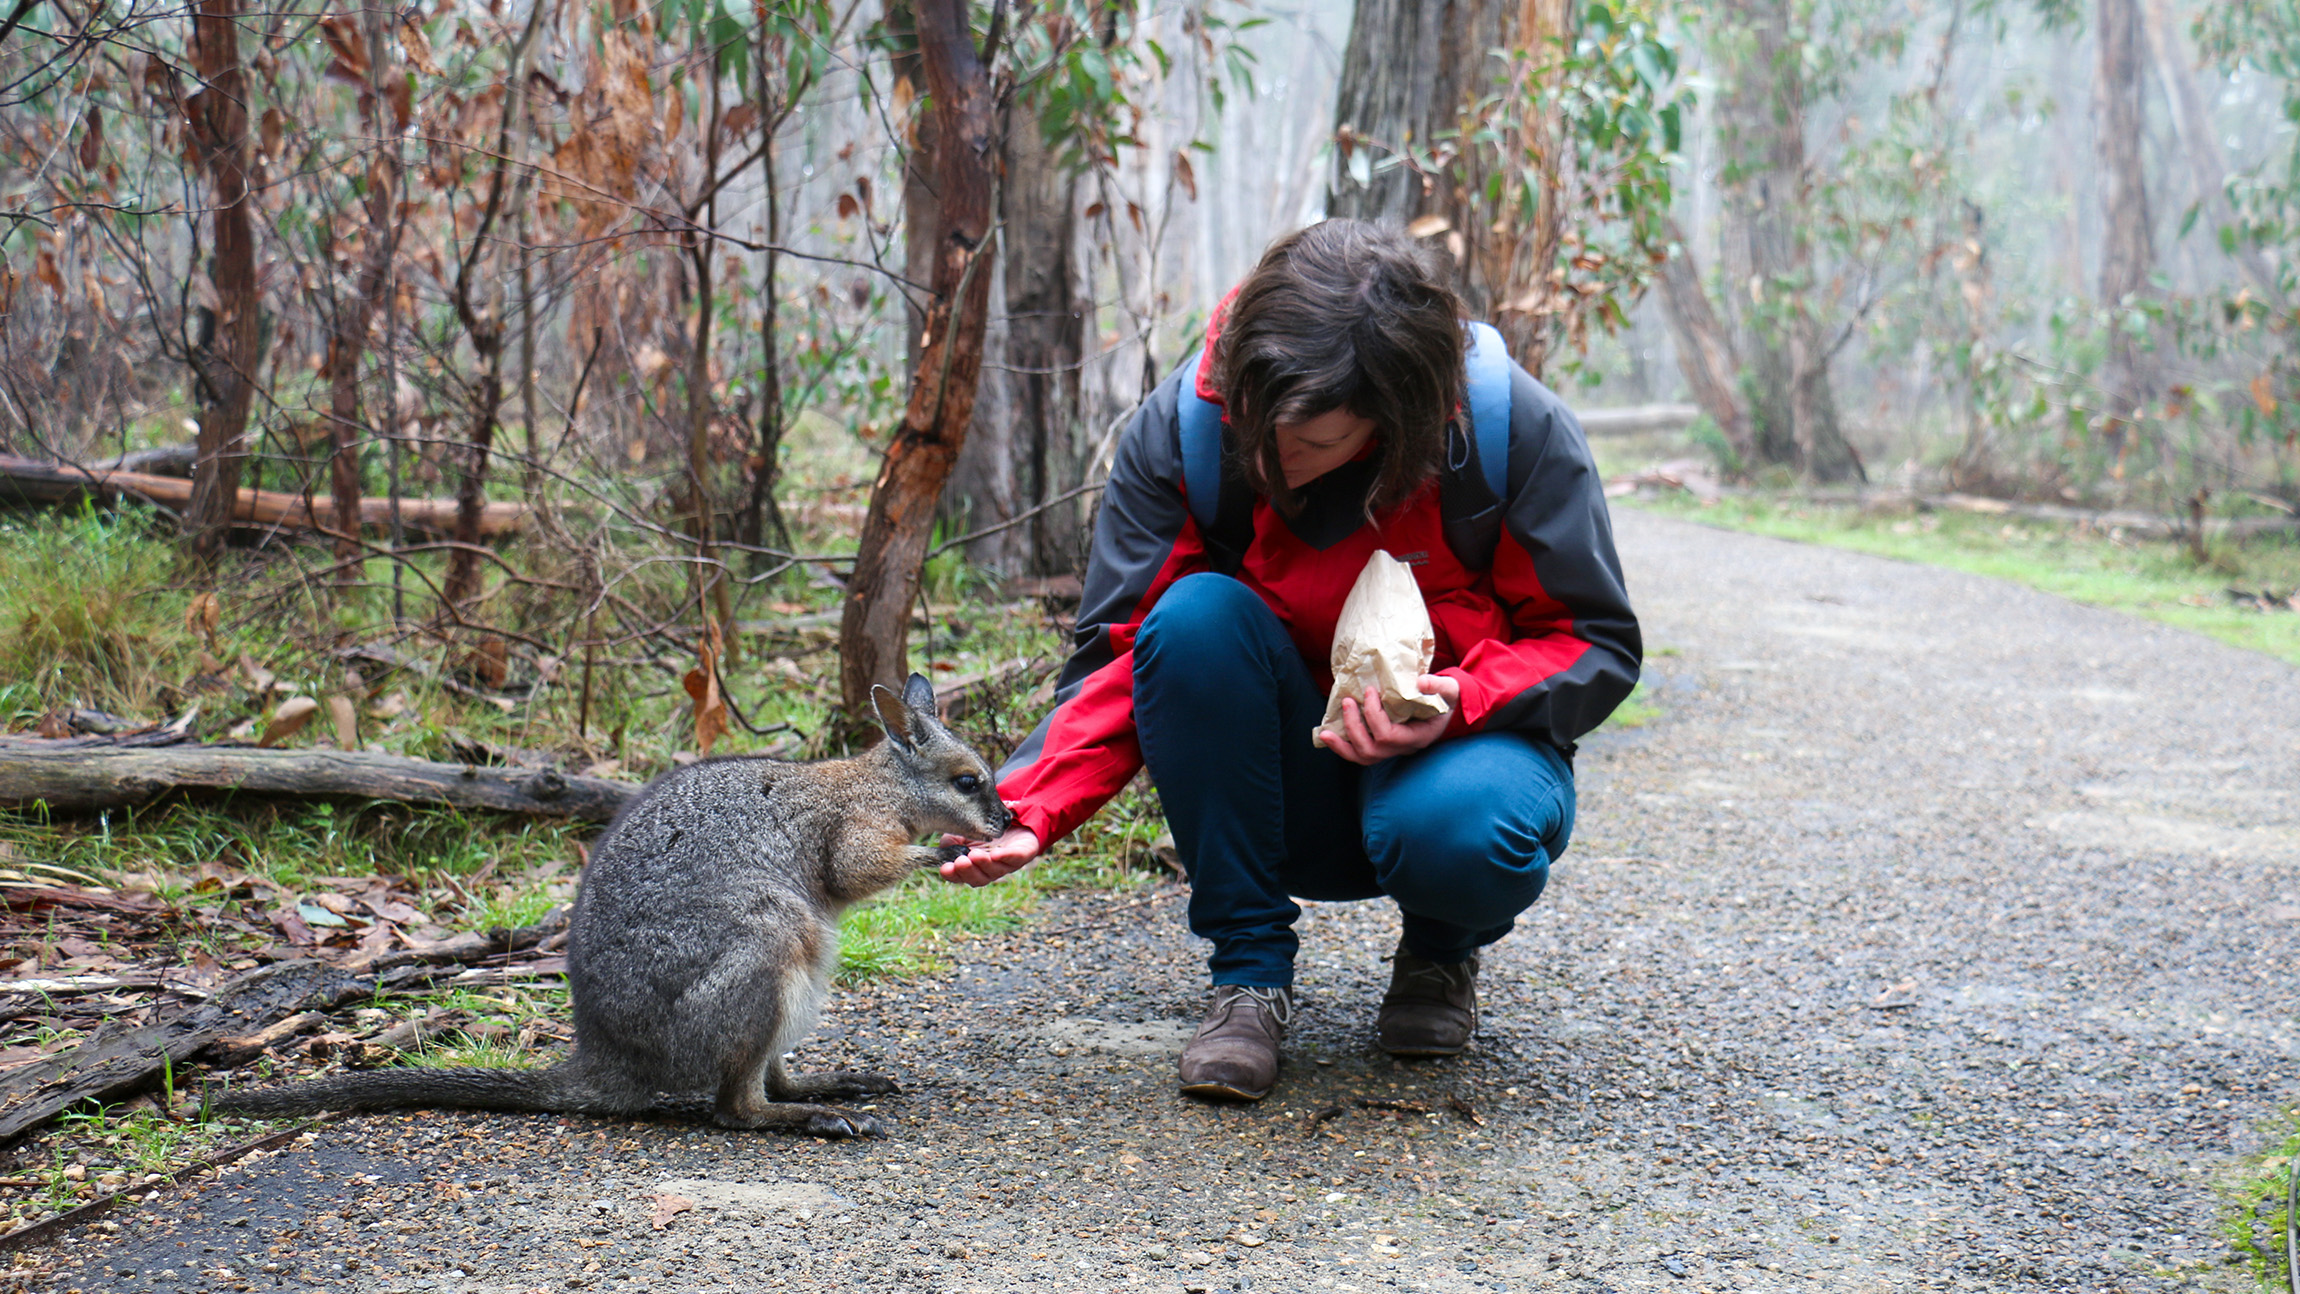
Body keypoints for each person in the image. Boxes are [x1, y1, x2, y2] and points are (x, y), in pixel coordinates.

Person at [940, 219, 1641, 1101]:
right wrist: (1031, 806)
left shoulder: (1506, 432)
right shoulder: (1190, 428)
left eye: (1308, 443)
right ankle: (1249, 977)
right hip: (1279, 785)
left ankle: (1441, 951)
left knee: (1462, 834)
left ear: (1393, 418)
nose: (1271, 462)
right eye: (1255, 432)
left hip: (1455, 762)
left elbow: (1591, 640)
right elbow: (1122, 652)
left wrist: (1455, 702)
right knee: (1190, 617)